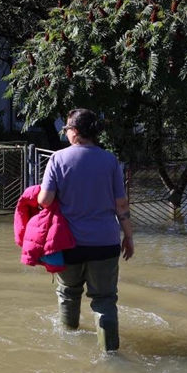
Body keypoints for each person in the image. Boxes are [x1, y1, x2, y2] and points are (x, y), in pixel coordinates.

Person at [38, 108, 135, 352]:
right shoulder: (110, 160)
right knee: (104, 299)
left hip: (69, 242)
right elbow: (121, 204)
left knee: (69, 293)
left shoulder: (58, 159)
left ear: (76, 131)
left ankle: (68, 343)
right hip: (105, 243)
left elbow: (45, 200)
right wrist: (129, 236)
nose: (66, 134)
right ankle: (110, 352)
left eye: (68, 129)